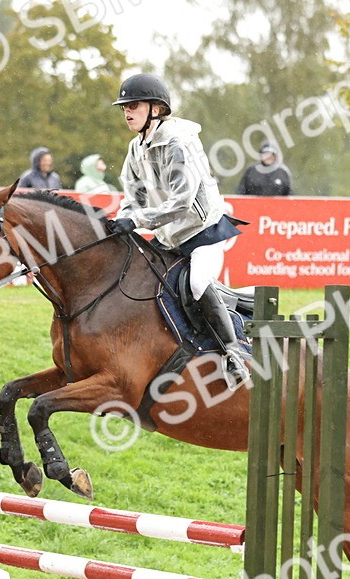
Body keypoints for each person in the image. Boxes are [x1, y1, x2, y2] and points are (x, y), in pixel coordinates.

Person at [108, 73, 250, 390]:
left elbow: (182, 202)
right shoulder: (136, 149)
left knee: (198, 282)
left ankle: (234, 354)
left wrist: (138, 221)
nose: (127, 112)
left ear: (156, 109)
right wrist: (122, 219)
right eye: (124, 107)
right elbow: (133, 198)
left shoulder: (177, 143)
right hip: (169, 236)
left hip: (204, 232)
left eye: (134, 105)